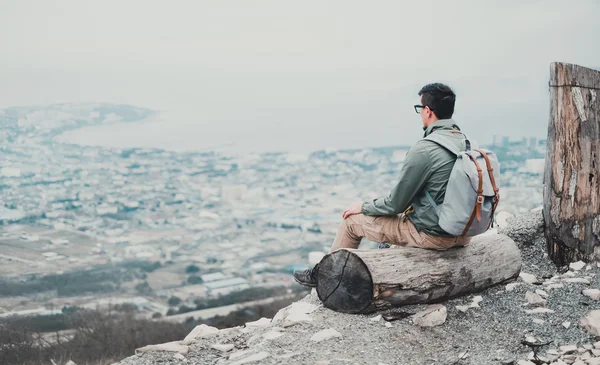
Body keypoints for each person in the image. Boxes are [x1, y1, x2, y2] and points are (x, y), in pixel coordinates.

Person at [294, 83, 472, 288]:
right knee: (390, 225)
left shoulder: (425, 149)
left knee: (351, 222)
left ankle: (324, 277)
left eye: (419, 108)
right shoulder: (464, 142)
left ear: (428, 111)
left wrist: (363, 206)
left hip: (435, 236)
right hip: (463, 233)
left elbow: (395, 204)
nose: (419, 114)